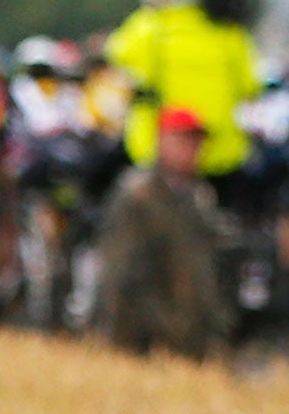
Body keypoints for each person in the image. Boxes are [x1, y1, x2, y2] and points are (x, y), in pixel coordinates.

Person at [106, 0, 261, 208]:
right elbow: (251, 86)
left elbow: (116, 60)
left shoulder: (147, 26)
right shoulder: (229, 31)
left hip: (154, 154)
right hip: (223, 154)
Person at [94, 107, 229, 359]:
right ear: (162, 141)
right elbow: (118, 273)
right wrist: (122, 342)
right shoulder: (137, 195)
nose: (191, 150)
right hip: (145, 340)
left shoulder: (200, 195)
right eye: (183, 141)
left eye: (196, 142)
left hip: (191, 339)